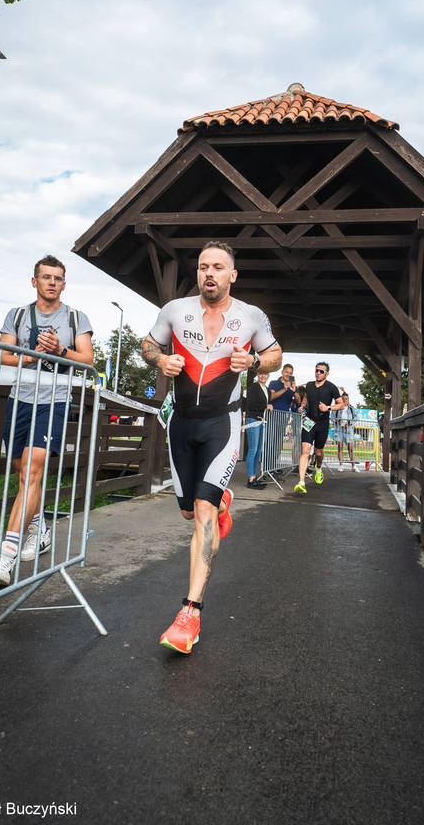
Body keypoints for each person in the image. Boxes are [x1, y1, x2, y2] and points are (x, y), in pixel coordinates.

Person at [142, 241, 282, 654]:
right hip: (182, 423)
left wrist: (253, 363)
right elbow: (148, 345)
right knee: (190, 511)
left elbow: (275, 355)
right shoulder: (175, 310)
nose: (209, 273)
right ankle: (221, 503)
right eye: (204, 266)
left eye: (218, 267)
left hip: (223, 423)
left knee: (202, 511)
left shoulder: (250, 316)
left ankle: (190, 612)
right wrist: (160, 361)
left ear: (232, 276)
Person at [0, 255, 93, 587]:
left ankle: (6, 554)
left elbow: (88, 360)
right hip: (20, 399)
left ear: (64, 284)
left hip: (55, 400)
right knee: (22, 473)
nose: (52, 282)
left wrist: (59, 350)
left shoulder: (76, 317)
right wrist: (32, 353)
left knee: (33, 470)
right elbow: (2, 356)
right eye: (46, 277)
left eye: (58, 278)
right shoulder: (17, 314)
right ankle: (40, 527)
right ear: (35, 281)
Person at [294, 361, 343, 494]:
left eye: (321, 371)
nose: (318, 373)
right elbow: (306, 398)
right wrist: (302, 406)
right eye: (317, 370)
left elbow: (341, 404)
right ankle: (301, 482)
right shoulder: (309, 385)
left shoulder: (331, 387)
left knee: (318, 453)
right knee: (305, 449)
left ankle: (319, 468)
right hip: (309, 422)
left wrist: (328, 408)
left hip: (323, 423)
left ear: (327, 374)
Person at [245, 371, 272, 489]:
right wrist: (265, 406)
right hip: (252, 420)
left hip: (262, 421)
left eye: (265, 374)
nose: (263, 376)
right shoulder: (253, 387)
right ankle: (250, 479)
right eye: (260, 373)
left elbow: (267, 406)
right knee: (253, 450)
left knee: (258, 451)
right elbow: (250, 405)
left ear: (268, 375)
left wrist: (268, 407)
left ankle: (254, 477)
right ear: (257, 375)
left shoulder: (268, 390)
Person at [333, 392, 358, 471]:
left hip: (348, 431)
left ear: (348, 399)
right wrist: (337, 420)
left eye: (346, 399)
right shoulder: (337, 408)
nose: (344, 400)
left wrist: (350, 423)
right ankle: (341, 465)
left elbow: (356, 418)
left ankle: (353, 466)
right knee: (340, 448)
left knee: (350, 448)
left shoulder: (351, 408)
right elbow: (332, 417)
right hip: (339, 430)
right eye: (343, 399)